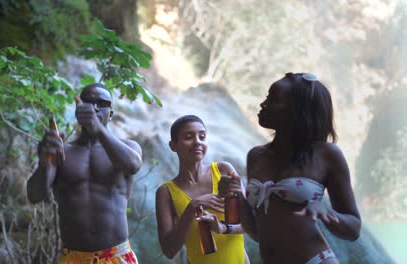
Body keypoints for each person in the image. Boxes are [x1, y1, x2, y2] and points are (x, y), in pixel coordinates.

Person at [221, 73, 361, 264]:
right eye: (267, 97)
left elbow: (353, 230)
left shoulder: (326, 155)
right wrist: (236, 195)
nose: (263, 104)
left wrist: (326, 212)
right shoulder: (255, 156)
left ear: (297, 110)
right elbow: (257, 232)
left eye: (273, 98)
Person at [27, 83, 142, 264]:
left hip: (116, 256)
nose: (94, 108)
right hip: (73, 257)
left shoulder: (129, 147)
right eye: (88, 102)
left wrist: (99, 129)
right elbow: (34, 195)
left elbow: (133, 165)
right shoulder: (62, 152)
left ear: (110, 114)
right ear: (78, 110)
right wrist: (44, 162)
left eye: (102, 103)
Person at [155, 115, 250, 264]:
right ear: (173, 145)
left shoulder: (224, 171)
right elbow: (169, 251)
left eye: (202, 136)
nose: (197, 142)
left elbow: (250, 224)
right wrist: (192, 207)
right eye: (188, 137)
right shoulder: (166, 192)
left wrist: (222, 228)